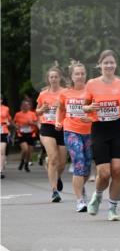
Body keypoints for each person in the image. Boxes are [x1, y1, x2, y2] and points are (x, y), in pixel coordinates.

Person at [83, 49, 120, 221]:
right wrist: (90, 108)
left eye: (112, 62)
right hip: (99, 129)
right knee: (104, 173)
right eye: (106, 62)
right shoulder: (91, 84)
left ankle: (113, 208)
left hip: (117, 129)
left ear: (116, 65)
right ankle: (97, 196)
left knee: (118, 170)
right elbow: (84, 106)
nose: (109, 65)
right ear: (100, 65)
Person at [57, 60, 93, 212]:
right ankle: (79, 200)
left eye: (82, 73)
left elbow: (97, 112)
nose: (80, 76)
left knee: (87, 165)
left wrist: (90, 118)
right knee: (78, 160)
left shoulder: (91, 92)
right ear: (72, 77)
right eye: (77, 74)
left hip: (89, 132)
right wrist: (58, 122)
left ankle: (82, 187)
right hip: (71, 130)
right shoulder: (65, 93)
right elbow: (61, 110)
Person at [36, 63, 68, 202]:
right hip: (47, 127)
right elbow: (37, 111)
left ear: (60, 78)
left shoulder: (66, 92)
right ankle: (54, 191)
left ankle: (57, 176)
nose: (53, 79)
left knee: (62, 162)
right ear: (48, 79)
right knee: (53, 158)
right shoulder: (43, 94)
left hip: (62, 127)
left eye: (56, 77)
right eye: (51, 77)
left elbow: (71, 109)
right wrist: (42, 109)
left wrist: (61, 108)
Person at [13, 98, 39, 171]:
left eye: (27, 105)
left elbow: (37, 123)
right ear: (22, 106)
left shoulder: (32, 114)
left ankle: (26, 164)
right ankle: (22, 161)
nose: (26, 106)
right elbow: (14, 124)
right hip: (21, 134)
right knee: (25, 149)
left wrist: (31, 123)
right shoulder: (18, 114)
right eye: (24, 105)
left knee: (29, 151)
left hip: (31, 134)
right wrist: (17, 126)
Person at [0, 97, 10, 178]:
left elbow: (8, 119)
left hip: (3, 130)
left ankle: (1, 170)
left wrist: (7, 122)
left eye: (0, 99)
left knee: (2, 151)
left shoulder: (6, 108)